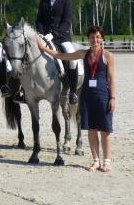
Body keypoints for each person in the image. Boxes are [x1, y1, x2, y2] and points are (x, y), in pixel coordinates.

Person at [37, 25, 115, 173]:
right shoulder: (83, 54)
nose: (95, 40)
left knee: (105, 130)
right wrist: (43, 48)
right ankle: (96, 161)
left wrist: (112, 97)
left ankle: (107, 162)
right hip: (87, 95)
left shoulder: (108, 56)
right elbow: (60, 55)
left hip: (103, 95)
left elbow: (111, 79)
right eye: (92, 37)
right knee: (91, 130)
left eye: (97, 37)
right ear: (88, 39)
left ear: (102, 39)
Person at [18, 0, 78, 104]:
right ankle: (22, 90)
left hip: (61, 37)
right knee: (25, 55)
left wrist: (54, 34)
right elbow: (39, 20)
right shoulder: (43, 1)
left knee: (72, 61)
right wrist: (40, 33)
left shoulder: (66, 1)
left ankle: (73, 92)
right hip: (44, 37)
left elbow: (67, 21)